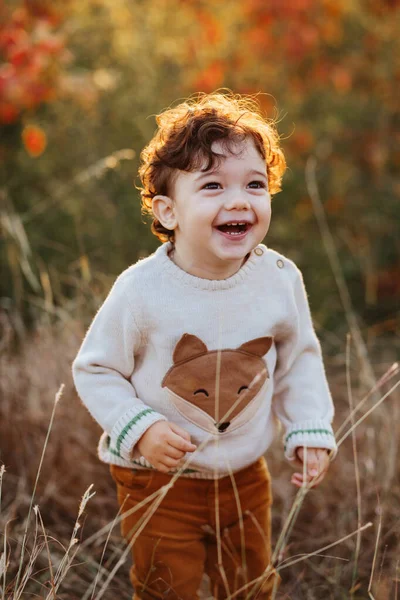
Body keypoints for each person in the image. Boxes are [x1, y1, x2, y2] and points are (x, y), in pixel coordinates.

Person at [72, 91, 337, 600]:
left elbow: (298, 360)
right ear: (168, 212)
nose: (238, 201)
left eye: (254, 185)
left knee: (251, 586)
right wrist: (141, 429)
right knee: (166, 588)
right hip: (158, 480)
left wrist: (309, 427)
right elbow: (96, 369)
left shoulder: (279, 279)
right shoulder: (142, 290)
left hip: (244, 477)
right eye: (212, 185)